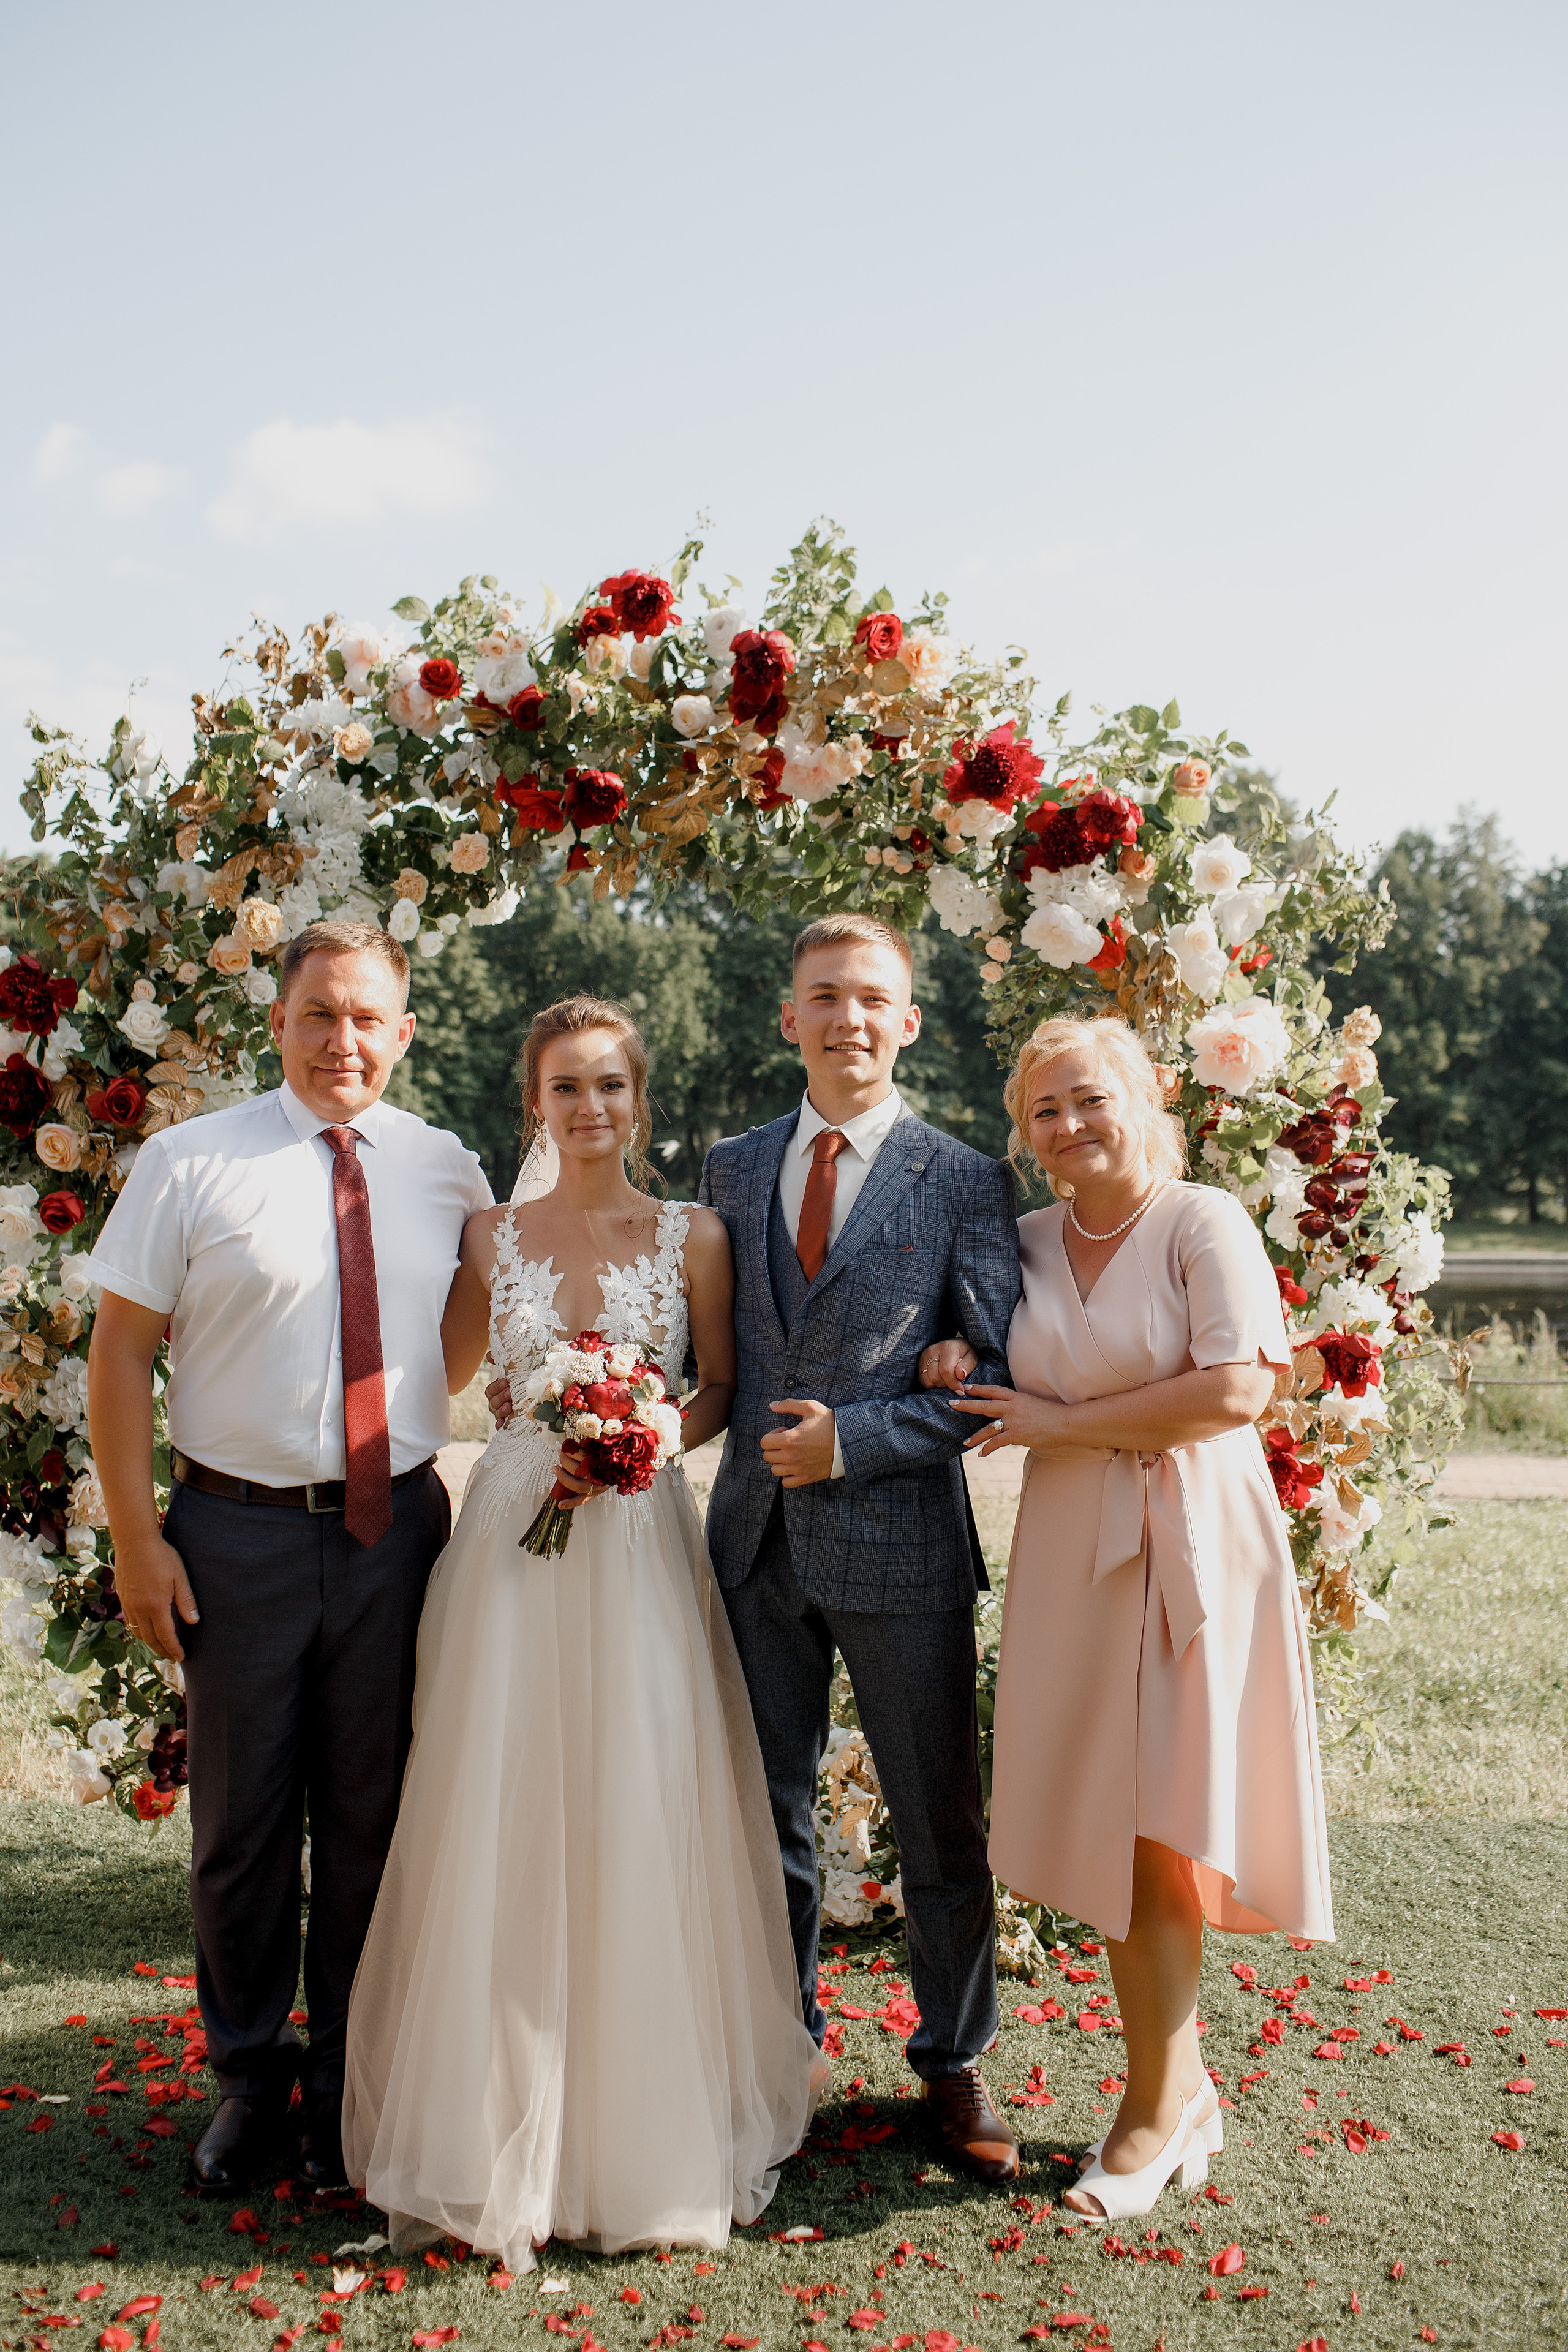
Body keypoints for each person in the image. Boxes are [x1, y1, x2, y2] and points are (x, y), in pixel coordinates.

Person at [342, 997, 823, 2269]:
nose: (590, 1108)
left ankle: (638, 2136)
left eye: (611, 1084)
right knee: (497, 1796)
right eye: (566, 1088)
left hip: (638, 1539)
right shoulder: (486, 1233)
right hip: (509, 1534)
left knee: (634, 1792)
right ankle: (486, 2125)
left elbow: (716, 1381)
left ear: (639, 1098)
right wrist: (533, 1400)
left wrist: (661, 1425)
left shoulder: (696, 1236)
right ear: (534, 1105)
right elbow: (442, 1370)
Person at [85, 920, 491, 2193]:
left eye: (368, 1017)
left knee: (375, 1818)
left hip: (394, 1536)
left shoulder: (445, 1170)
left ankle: (344, 2085)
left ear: (404, 1032)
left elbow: (459, 1337)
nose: (343, 1040)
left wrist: (389, 1435)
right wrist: (140, 1540)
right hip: (232, 1535)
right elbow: (117, 1358)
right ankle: (250, 2079)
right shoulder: (189, 1162)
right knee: (242, 1826)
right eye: (319, 1013)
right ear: (278, 1022)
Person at [924, 1011, 1333, 2221]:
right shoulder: (1026, 1240)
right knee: (1107, 1824)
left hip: (1192, 1542)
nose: (1067, 1125)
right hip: (1072, 1554)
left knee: (1159, 1830)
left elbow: (1235, 1387)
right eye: (1042, 1111)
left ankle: (1153, 2112)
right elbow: (987, 1347)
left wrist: (1055, 1425)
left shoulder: (1200, 1221)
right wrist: (954, 1359)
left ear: (1142, 1093)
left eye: (1087, 1098)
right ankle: (1184, 2089)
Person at [696, 915, 1025, 2187]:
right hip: (749, 1551)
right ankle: (786, 2051)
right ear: (788, 1017)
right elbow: (702, 1352)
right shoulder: (728, 1168)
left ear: (908, 1021)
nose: (845, 1018)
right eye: (822, 996)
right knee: (760, 1818)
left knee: (936, 1822)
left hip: (900, 1550)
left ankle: (950, 2064)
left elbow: (990, 1376)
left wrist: (862, 1439)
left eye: (870, 998)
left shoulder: (962, 1179)